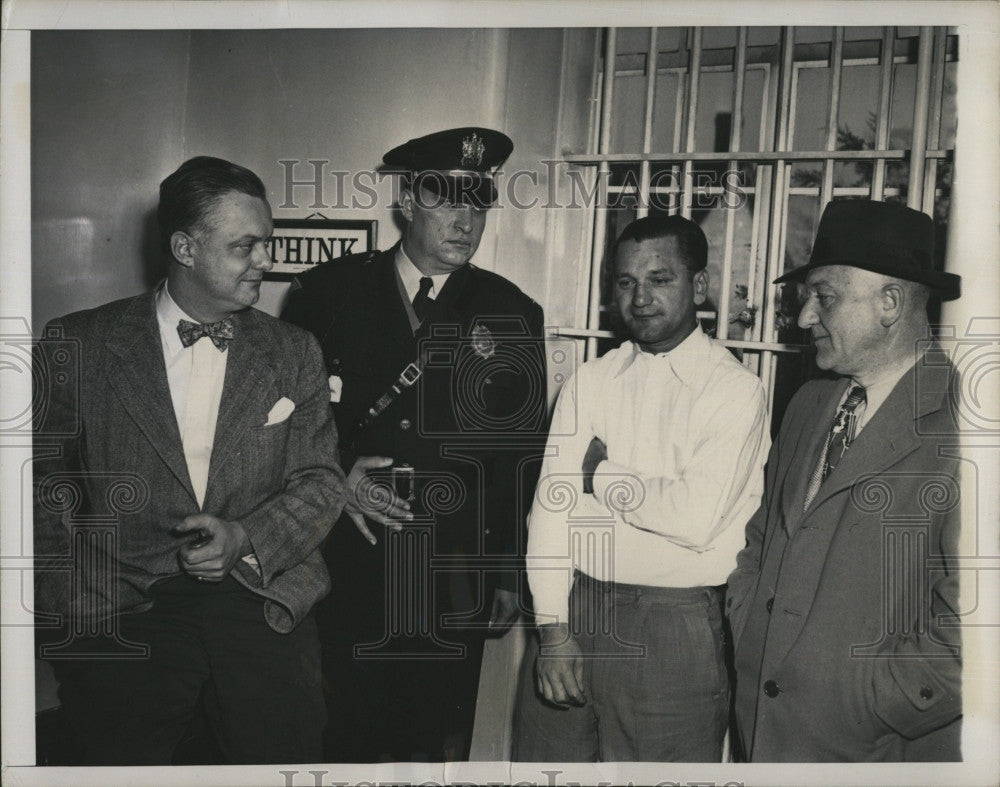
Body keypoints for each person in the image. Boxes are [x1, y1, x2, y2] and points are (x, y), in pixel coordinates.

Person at [32, 156, 347, 765]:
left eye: (268, 243)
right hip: (122, 604)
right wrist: (63, 597)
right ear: (185, 247)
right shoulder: (79, 344)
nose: (266, 261)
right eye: (245, 246)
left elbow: (321, 480)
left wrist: (246, 537)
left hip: (258, 596)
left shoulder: (294, 351)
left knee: (284, 756)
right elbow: (40, 483)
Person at [281, 126, 548, 762]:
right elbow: (277, 420)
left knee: (430, 739)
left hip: (452, 566)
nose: (465, 220)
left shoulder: (511, 311)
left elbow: (520, 457)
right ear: (406, 203)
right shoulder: (327, 292)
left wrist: (509, 570)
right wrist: (339, 475)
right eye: (447, 200)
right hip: (343, 554)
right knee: (336, 727)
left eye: (478, 202)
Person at [511, 214, 769, 762]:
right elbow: (550, 510)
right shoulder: (591, 380)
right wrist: (552, 629)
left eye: (660, 279)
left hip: (672, 628)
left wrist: (601, 475)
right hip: (576, 612)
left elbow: (693, 517)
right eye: (626, 282)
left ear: (699, 286)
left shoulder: (735, 390)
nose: (641, 297)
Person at [727, 199, 963, 761]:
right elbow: (762, 540)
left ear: (890, 302)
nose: (805, 316)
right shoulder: (809, 402)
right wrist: (748, 630)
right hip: (764, 730)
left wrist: (873, 704)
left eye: (824, 296)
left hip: (875, 750)